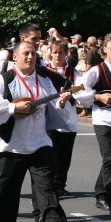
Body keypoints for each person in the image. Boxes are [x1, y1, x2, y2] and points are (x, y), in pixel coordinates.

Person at [0, 41, 76, 222]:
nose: (30, 57)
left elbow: (53, 106)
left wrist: (61, 102)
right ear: (15, 57)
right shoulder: (3, 80)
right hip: (12, 146)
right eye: (25, 53)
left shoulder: (44, 80)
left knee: (46, 187)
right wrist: (13, 109)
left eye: (33, 53)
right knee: (8, 190)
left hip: (40, 143)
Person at [74, 33, 111, 215]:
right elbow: (78, 92)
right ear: (104, 50)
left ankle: (100, 192)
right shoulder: (96, 70)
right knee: (109, 158)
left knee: (110, 160)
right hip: (102, 119)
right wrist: (97, 96)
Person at [45, 39, 80, 197]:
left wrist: (72, 94)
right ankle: (49, 184)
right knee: (51, 153)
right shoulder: (44, 72)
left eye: (61, 52)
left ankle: (60, 184)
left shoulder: (74, 73)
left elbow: (83, 93)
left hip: (68, 117)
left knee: (65, 154)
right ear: (50, 53)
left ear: (66, 54)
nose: (57, 55)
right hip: (50, 117)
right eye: (55, 52)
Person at [0, 24, 42, 90]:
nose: (38, 42)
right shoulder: (6, 55)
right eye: (34, 39)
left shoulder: (39, 59)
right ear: (23, 39)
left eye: (39, 38)